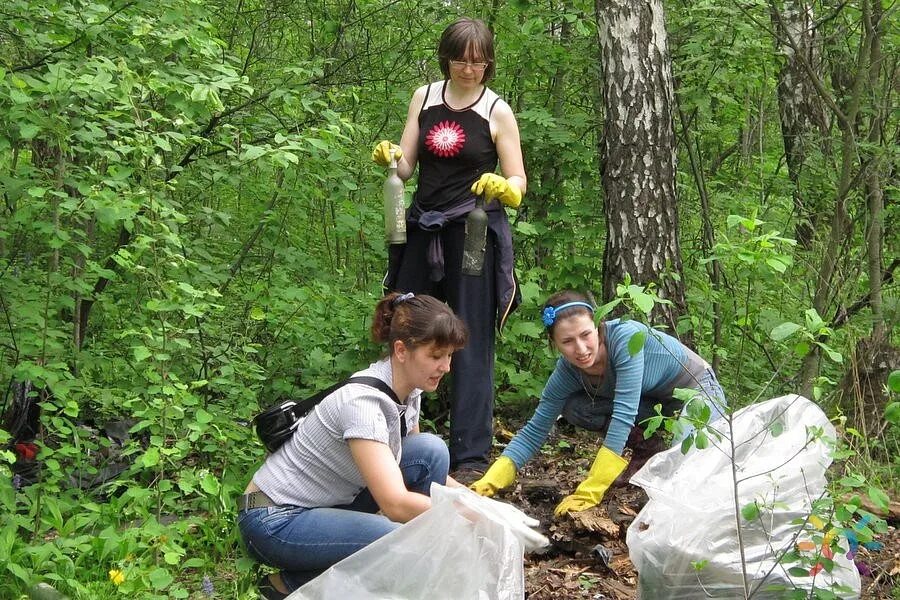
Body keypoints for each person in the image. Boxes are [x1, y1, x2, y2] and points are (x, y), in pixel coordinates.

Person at [371, 17, 526, 481]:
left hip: (473, 229)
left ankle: (471, 455)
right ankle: (392, 434)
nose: (469, 68)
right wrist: (391, 159)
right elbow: (404, 171)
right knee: (405, 325)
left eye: (478, 61)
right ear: (447, 58)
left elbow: (518, 179)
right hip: (423, 226)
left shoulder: (497, 109)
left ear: (489, 64)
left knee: (470, 335)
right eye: (461, 59)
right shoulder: (425, 97)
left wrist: (506, 187)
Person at [237, 292, 468, 599]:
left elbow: (418, 464)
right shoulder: (363, 405)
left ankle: (404, 556)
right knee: (393, 540)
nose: (446, 367)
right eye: (436, 356)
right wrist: (459, 515)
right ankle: (285, 585)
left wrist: (475, 502)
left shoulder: (409, 390)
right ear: (401, 350)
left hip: (321, 504)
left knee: (429, 450)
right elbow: (395, 503)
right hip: (272, 521)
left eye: (449, 356)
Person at [470, 290, 727, 516]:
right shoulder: (566, 373)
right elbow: (535, 429)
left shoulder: (625, 339)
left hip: (697, 392)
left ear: (598, 326)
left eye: (585, 335)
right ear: (554, 344)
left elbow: (624, 413)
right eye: (567, 342)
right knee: (574, 406)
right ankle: (649, 449)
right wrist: (493, 479)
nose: (580, 349)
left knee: (689, 462)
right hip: (654, 405)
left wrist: (593, 487)